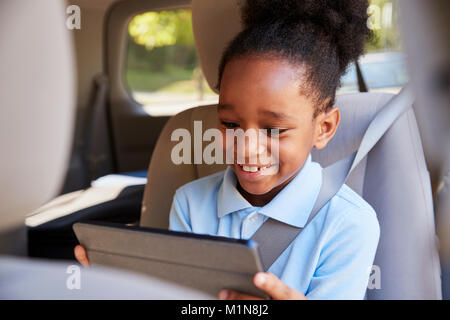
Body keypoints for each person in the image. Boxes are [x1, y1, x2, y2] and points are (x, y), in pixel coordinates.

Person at [76, 0, 380, 300]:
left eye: (274, 129)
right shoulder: (191, 203)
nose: (246, 148)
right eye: (230, 124)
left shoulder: (348, 224)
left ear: (323, 128)